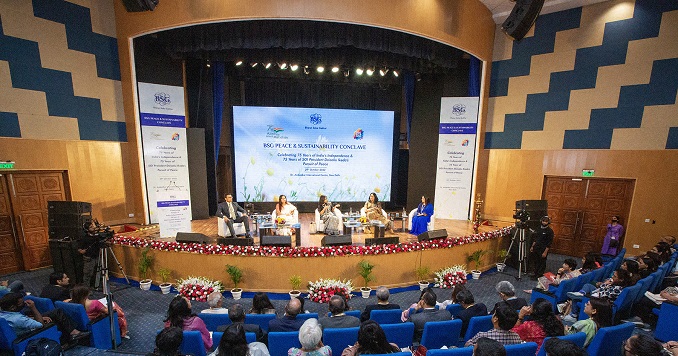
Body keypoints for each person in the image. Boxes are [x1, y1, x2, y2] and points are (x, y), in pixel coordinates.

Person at [0, 292, 89, 345]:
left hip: (22, 329)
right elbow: (40, 325)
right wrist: (33, 307)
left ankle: (73, 332)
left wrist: (37, 317)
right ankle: (66, 340)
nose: (24, 303)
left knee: (56, 312)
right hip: (31, 335)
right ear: (12, 307)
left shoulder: (3, 313)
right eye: (20, 303)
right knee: (55, 322)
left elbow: (23, 320)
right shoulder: (18, 319)